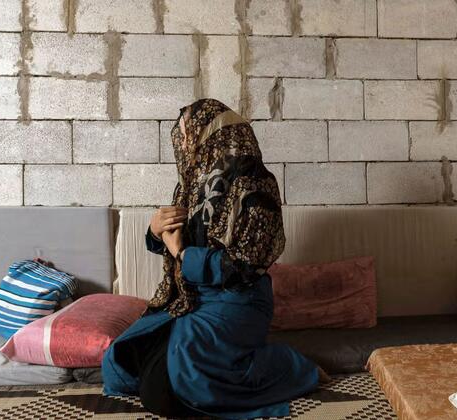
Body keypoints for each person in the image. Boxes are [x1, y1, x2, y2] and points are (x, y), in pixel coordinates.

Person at [102, 99, 327, 419]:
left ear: (212, 132)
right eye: (182, 134)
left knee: (175, 387)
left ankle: (292, 367)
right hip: (190, 298)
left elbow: (245, 266)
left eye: (189, 132)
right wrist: (154, 230)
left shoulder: (255, 184)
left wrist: (182, 253)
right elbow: (170, 242)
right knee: (123, 359)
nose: (183, 141)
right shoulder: (191, 184)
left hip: (237, 299)